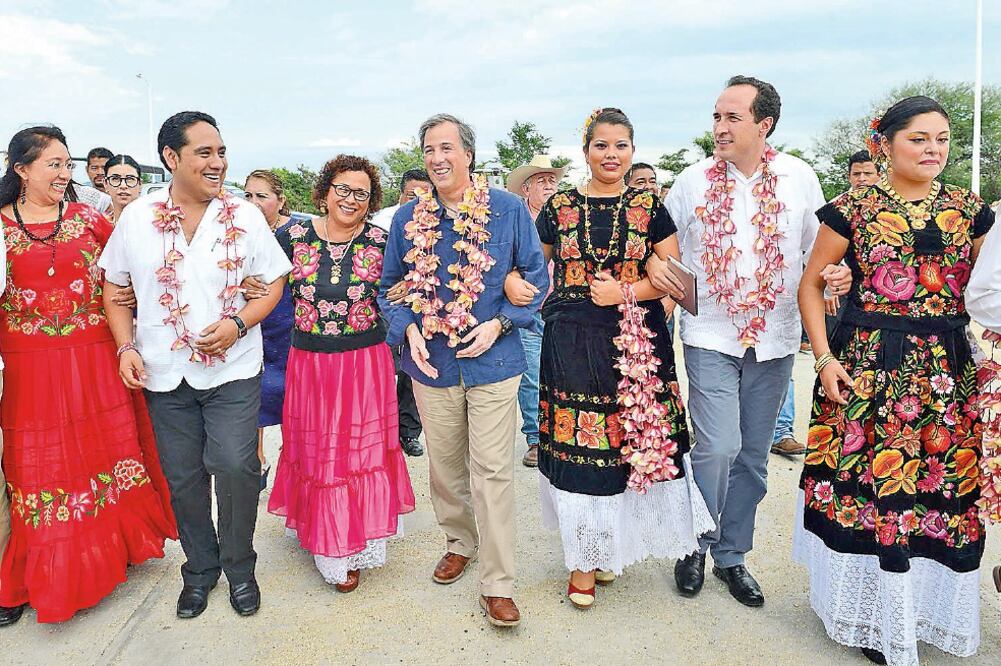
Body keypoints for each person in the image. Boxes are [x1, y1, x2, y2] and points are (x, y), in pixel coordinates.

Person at [796, 96, 995, 665]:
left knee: (939, 491)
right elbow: (811, 286)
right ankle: (872, 616)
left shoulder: (970, 211)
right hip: (868, 368)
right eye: (919, 139)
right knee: (875, 491)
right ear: (884, 144)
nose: (934, 149)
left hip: (947, 374)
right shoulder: (852, 209)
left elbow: (990, 288)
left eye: (942, 139)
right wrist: (824, 359)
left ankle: (920, 612)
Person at [652, 75, 851, 606]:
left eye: (732, 117)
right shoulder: (691, 182)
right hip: (710, 333)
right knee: (717, 447)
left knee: (754, 457)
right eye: (717, 116)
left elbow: (819, 252)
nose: (720, 127)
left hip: (776, 336)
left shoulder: (800, 178)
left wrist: (837, 274)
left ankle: (731, 555)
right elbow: (665, 252)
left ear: (765, 124)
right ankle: (694, 543)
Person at [99, 111, 292, 620]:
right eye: (204, 153)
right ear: (171, 157)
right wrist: (125, 347)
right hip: (164, 371)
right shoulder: (137, 217)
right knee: (183, 477)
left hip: (233, 368)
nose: (217, 163)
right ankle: (200, 571)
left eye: (221, 152)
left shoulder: (244, 215)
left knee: (235, 465)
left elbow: (274, 280)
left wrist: (240, 323)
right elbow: (114, 287)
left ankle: (240, 567)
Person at [530, 108, 713, 609]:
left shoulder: (649, 206)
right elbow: (532, 267)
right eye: (601, 145)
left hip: (636, 344)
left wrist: (624, 292)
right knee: (584, 449)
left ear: (632, 151)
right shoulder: (559, 206)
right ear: (585, 150)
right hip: (570, 342)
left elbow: (677, 281)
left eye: (621, 146)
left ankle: (607, 547)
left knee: (629, 445)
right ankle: (583, 561)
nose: (611, 155)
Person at [0, 126, 177, 624]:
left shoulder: (88, 219)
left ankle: (112, 552)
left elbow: (132, 269)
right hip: (28, 367)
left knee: (103, 455)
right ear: (21, 170)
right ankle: (33, 577)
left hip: (96, 360)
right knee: (37, 469)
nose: (65, 174)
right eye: (53, 164)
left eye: (67, 165)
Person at [378, 113, 548, 628]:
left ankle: (498, 584)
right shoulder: (407, 218)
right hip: (431, 364)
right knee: (446, 469)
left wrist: (501, 323)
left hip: (494, 361)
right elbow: (389, 289)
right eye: (429, 149)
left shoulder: (507, 208)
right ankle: (459, 542)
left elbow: (537, 279)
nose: (437, 158)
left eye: (447, 147)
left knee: (492, 471)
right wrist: (407, 328)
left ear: (469, 155)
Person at [267, 155, 415, 592]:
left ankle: (353, 540)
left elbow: (405, 288)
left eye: (361, 193)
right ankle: (328, 541)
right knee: (320, 451)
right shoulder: (292, 236)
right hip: (310, 363)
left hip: (364, 363)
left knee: (357, 453)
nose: (351, 199)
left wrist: (407, 290)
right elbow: (262, 279)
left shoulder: (382, 242)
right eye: (343, 189)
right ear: (325, 191)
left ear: (372, 201)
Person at [504, 154, 566, 467]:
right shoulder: (516, 221)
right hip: (530, 311)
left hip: (564, 310)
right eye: (541, 180)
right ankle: (535, 438)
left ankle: (562, 432)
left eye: (552, 180)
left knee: (564, 374)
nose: (548, 185)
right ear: (526, 189)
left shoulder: (569, 218)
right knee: (530, 376)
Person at [242, 169, 299, 488]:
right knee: (254, 395)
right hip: (252, 322)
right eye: (248, 195)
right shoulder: (237, 230)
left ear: (280, 200)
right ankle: (257, 461)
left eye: (261, 196)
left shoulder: (298, 233)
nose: (253, 202)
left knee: (292, 398)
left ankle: (293, 464)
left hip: (289, 324)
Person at [372, 168, 433, 457]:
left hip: (420, 307)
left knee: (413, 369)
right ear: (400, 195)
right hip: (383, 306)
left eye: (425, 195)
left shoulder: (437, 221)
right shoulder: (382, 222)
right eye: (412, 195)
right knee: (383, 370)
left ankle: (408, 432)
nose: (419, 201)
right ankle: (381, 431)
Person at [626, 162, 676, 340]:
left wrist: (670, 299)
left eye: (652, 181)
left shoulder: (663, 217)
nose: (649, 186)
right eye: (640, 182)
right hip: (626, 305)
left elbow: (675, 265)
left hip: (660, 305)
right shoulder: (618, 219)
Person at [104, 154, 143, 224]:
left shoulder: (157, 223)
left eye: (130, 179)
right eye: (115, 179)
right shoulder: (97, 225)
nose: (123, 186)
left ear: (140, 184)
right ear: (106, 184)